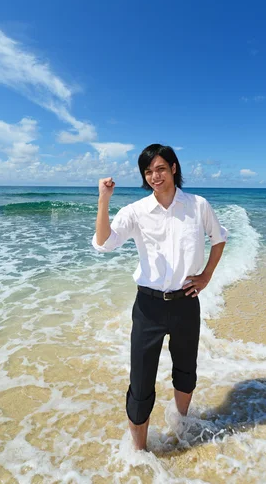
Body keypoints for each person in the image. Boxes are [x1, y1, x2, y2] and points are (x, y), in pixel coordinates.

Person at [92, 143, 228, 450]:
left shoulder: (198, 205)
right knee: (140, 385)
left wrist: (206, 275)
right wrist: (104, 199)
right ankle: (139, 453)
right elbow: (103, 243)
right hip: (148, 307)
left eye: (161, 169)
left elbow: (219, 239)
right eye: (149, 171)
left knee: (185, 372)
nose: (155, 176)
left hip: (185, 303)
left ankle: (182, 425)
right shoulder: (136, 212)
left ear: (174, 169)